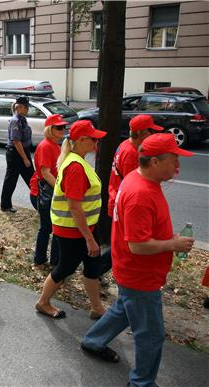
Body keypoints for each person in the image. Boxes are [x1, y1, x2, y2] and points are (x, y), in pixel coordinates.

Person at [81, 133, 194, 387]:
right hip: (139, 276)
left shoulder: (136, 178)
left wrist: (168, 240)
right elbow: (138, 245)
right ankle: (141, 382)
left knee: (124, 308)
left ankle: (92, 341)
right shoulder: (141, 194)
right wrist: (172, 244)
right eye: (174, 159)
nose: (178, 166)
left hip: (132, 273)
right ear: (154, 162)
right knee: (151, 335)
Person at [35, 120, 107, 320]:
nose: (97, 143)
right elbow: (74, 207)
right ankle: (43, 302)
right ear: (83, 140)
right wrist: (89, 238)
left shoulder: (78, 160)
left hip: (84, 228)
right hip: (72, 230)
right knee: (65, 268)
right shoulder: (75, 167)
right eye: (94, 139)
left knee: (92, 267)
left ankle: (97, 308)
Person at [98, 114, 165, 277]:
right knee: (121, 246)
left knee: (119, 244)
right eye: (151, 131)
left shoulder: (126, 145)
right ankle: (95, 272)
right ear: (142, 133)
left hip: (117, 200)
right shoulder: (132, 154)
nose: (153, 135)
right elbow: (135, 187)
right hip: (122, 205)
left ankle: (96, 272)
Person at [29, 114, 66, 267]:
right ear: (50, 129)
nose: (63, 130)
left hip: (49, 192)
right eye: (59, 127)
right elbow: (45, 173)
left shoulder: (56, 146)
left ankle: (51, 260)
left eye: (63, 127)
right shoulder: (46, 146)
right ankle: (43, 259)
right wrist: (62, 189)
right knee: (49, 228)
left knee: (52, 228)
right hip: (43, 193)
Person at [0, 96, 35, 213]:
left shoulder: (22, 119)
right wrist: (25, 158)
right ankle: (5, 205)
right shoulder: (16, 121)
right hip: (16, 153)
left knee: (32, 179)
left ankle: (40, 203)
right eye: (26, 107)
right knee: (12, 180)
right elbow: (16, 141)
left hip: (22, 151)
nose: (27, 109)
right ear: (19, 107)